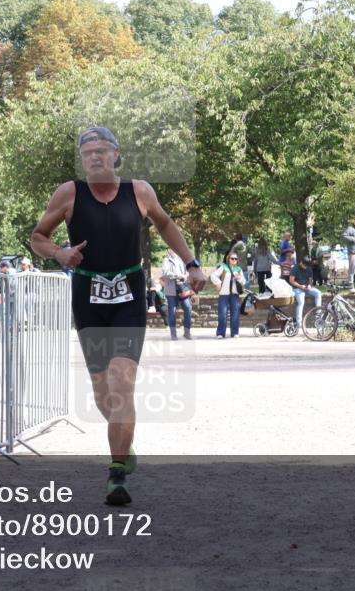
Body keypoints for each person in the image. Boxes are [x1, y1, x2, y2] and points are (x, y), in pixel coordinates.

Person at [30, 126, 205, 506]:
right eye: (87, 151)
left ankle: (117, 472)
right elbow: (38, 236)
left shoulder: (139, 191)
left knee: (122, 382)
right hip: (88, 296)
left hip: (128, 293)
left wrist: (191, 263)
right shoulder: (69, 193)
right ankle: (123, 440)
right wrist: (59, 253)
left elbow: (166, 224)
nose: (94, 157)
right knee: (102, 391)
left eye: (101, 150)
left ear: (116, 154)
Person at [211, 252, 246, 339]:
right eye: (232, 258)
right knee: (222, 314)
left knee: (235, 314)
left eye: (235, 259)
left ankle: (235, 333)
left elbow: (244, 281)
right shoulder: (223, 267)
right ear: (228, 259)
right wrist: (218, 283)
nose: (234, 260)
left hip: (234, 294)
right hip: (224, 294)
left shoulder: (238, 269)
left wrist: (239, 278)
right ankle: (220, 333)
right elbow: (213, 275)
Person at [161, 249, 193, 340]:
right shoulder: (166, 260)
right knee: (172, 311)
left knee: (187, 307)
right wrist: (179, 276)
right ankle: (173, 334)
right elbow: (166, 273)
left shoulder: (181, 259)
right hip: (171, 289)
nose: (174, 250)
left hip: (183, 288)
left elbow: (187, 271)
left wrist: (187, 274)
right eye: (171, 248)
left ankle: (187, 332)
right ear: (168, 250)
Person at [289, 255, 322, 328]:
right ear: (301, 263)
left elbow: (310, 281)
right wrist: (301, 286)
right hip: (297, 288)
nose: (306, 267)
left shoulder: (309, 269)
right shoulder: (295, 268)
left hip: (307, 287)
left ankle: (318, 316)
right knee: (301, 302)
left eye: (307, 266)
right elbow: (291, 281)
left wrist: (309, 286)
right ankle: (299, 323)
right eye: (304, 266)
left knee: (318, 293)